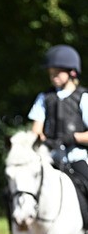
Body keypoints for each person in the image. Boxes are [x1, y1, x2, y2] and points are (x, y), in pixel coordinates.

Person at [28, 44, 88, 220]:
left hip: (77, 158)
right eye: (51, 73)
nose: (53, 76)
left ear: (72, 72)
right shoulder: (44, 98)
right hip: (51, 158)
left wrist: (73, 137)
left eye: (57, 73)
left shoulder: (83, 98)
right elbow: (36, 130)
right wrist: (43, 140)